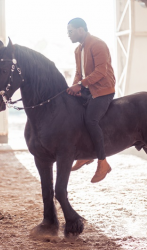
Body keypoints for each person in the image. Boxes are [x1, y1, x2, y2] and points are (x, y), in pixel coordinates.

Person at [66, 18, 116, 183]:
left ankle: (103, 162)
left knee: (91, 120)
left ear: (81, 30)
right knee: (74, 115)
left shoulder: (97, 44)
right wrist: (73, 87)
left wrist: (80, 85)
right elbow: (79, 73)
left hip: (103, 91)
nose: (68, 35)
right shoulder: (78, 50)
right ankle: (86, 155)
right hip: (89, 90)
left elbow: (101, 71)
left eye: (71, 31)